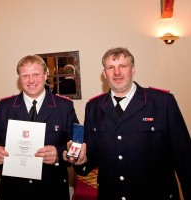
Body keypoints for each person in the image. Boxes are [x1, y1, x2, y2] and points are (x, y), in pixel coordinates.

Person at [64, 47, 191, 200]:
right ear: (105, 74)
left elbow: (184, 157)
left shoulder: (162, 102)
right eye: (111, 67)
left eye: (123, 66)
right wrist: (81, 160)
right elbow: (92, 154)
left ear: (133, 70)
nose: (117, 72)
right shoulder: (94, 107)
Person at [0, 54, 79, 200]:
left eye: (36, 74)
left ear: (46, 75)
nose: (31, 81)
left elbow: (76, 144)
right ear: (19, 78)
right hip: (14, 190)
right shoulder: (5, 106)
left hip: (51, 189)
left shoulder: (64, 106)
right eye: (25, 75)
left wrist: (59, 154)